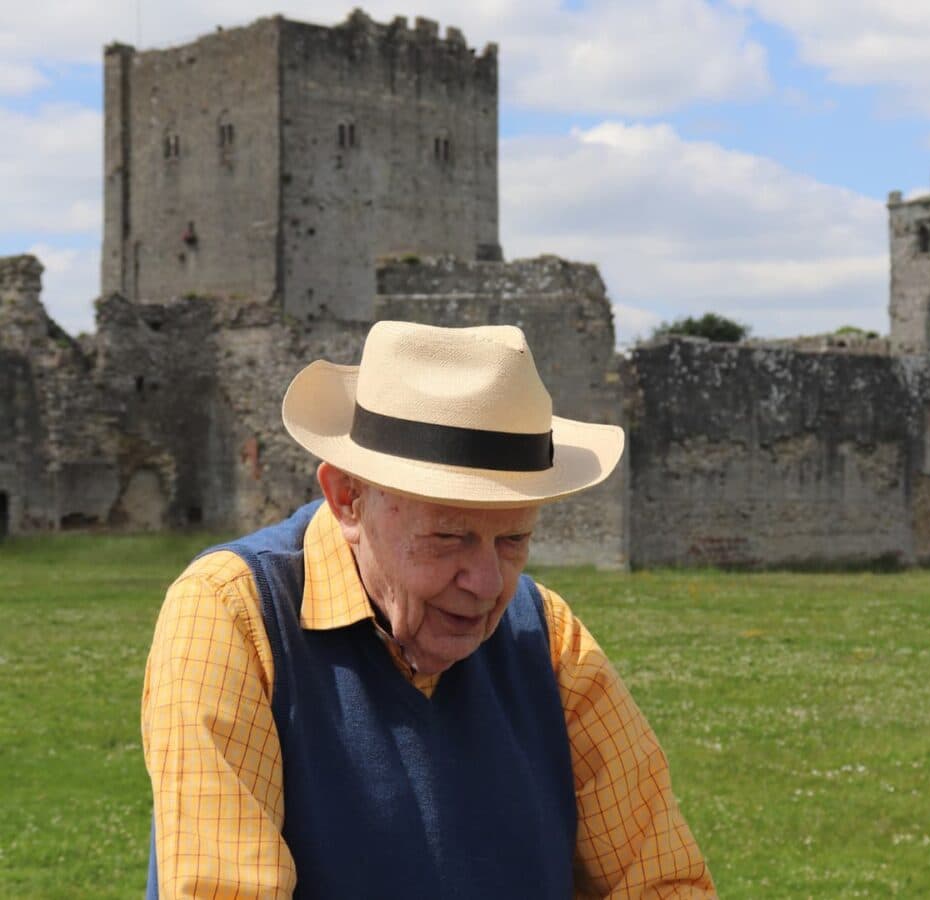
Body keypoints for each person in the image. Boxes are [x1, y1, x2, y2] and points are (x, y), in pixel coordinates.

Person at [142, 320, 716, 898]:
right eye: (449, 537)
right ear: (348, 499)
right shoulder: (233, 616)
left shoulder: (547, 636)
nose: (489, 583)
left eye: (514, 540)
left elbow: (661, 880)